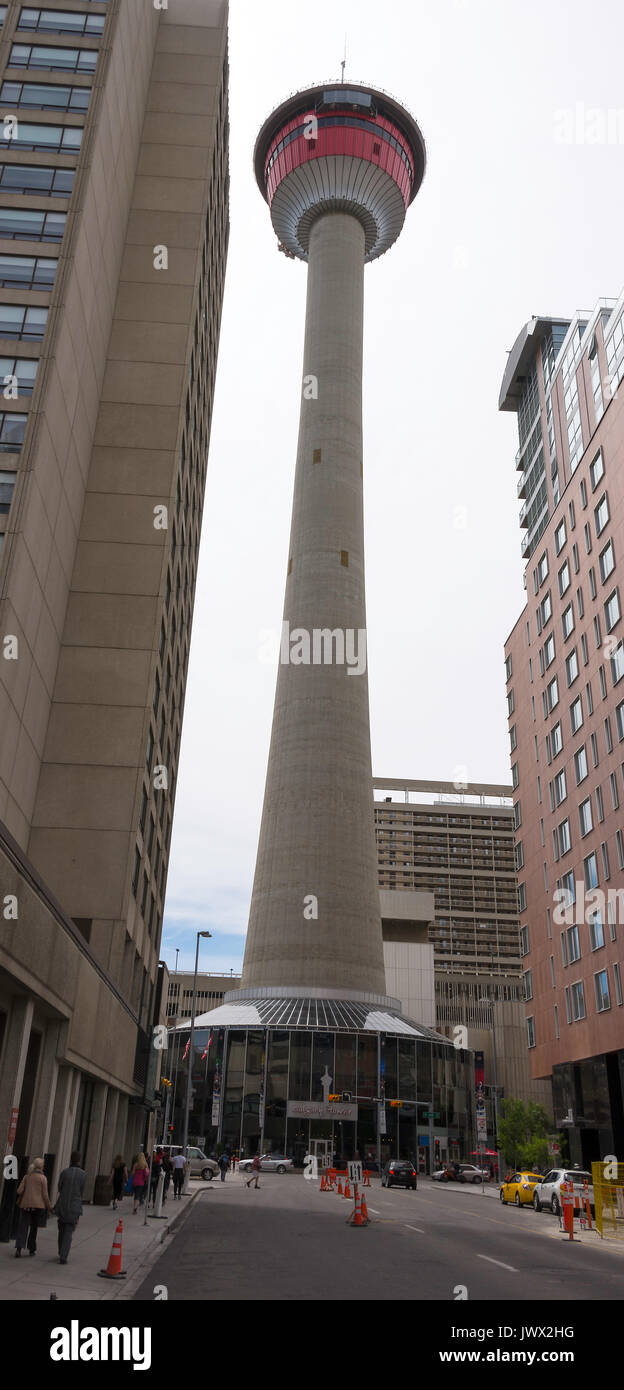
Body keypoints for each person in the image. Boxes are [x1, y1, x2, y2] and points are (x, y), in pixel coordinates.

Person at [14, 1158, 54, 1257]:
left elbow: (19, 1191)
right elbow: (45, 1195)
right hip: (37, 1207)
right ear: (41, 1166)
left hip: (26, 1205)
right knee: (34, 1228)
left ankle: (19, 1248)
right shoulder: (43, 1178)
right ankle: (31, 1249)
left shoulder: (27, 1177)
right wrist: (49, 1207)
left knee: (23, 1227)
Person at [55, 1151, 86, 1264]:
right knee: (69, 1231)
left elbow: (59, 1187)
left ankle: (61, 1251)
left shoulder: (64, 1172)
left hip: (63, 1204)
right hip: (74, 1206)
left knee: (62, 1229)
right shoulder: (83, 1174)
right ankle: (63, 1255)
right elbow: (81, 1191)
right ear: (79, 1160)